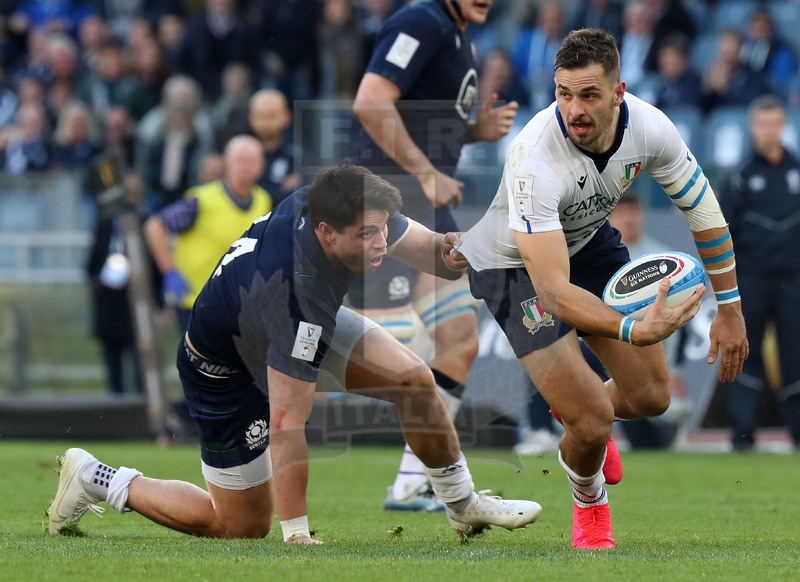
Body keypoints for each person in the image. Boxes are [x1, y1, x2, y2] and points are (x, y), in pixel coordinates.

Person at [47, 162, 542, 543]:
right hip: (224, 370)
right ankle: (96, 477)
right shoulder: (293, 293)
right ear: (327, 233)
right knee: (239, 527)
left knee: (414, 380)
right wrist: (298, 533)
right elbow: (287, 424)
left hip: (281, 326)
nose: (381, 242)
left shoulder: (336, 204)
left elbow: (431, 252)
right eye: (367, 234)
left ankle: (463, 504)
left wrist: (457, 251)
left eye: (383, 228)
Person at [456, 28, 748, 549]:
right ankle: (590, 502)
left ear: (619, 92)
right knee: (592, 422)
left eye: (589, 94)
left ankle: (574, 409)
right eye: (563, 94)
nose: (574, 110)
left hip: (588, 241)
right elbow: (550, 289)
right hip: (513, 267)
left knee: (653, 397)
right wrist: (634, 328)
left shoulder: (651, 127)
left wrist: (731, 306)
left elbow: (704, 211)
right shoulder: (532, 159)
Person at [348, 0, 519, 513]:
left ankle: (412, 481)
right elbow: (371, 101)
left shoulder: (458, 32)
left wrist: (473, 130)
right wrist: (425, 173)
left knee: (458, 339)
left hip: (417, 206)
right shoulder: (420, 20)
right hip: (389, 201)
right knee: (358, 342)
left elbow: (418, 115)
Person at [720, 95, 800, 453]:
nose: (770, 131)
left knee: (795, 354)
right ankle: (742, 433)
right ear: (753, 128)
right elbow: (721, 232)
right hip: (750, 279)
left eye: (776, 123)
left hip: (794, 280)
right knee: (742, 351)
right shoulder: (739, 175)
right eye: (763, 124)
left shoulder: (797, 169)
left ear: (784, 126)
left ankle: (797, 433)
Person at [144, 134, 271, 333]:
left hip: (236, 303)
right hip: (195, 301)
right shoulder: (201, 200)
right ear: (227, 164)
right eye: (240, 161)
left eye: (252, 161)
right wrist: (169, 271)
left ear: (262, 165)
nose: (246, 167)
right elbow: (155, 226)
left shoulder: (263, 200)